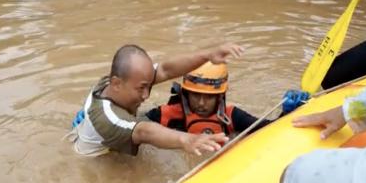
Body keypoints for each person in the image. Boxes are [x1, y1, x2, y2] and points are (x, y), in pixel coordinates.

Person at [70, 43, 245, 157]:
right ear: (116, 83)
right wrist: (187, 140)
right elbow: (143, 132)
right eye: (141, 89)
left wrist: (207, 55)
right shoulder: (107, 118)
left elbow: (165, 70)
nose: (146, 96)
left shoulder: (118, 81)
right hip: (98, 158)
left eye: (148, 87)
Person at [145, 62, 272, 136]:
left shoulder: (231, 117)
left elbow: (270, 128)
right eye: (195, 95)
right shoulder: (164, 115)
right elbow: (133, 128)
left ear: (220, 96)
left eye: (209, 97)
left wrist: (287, 111)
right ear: (186, 93)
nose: (201, 103)